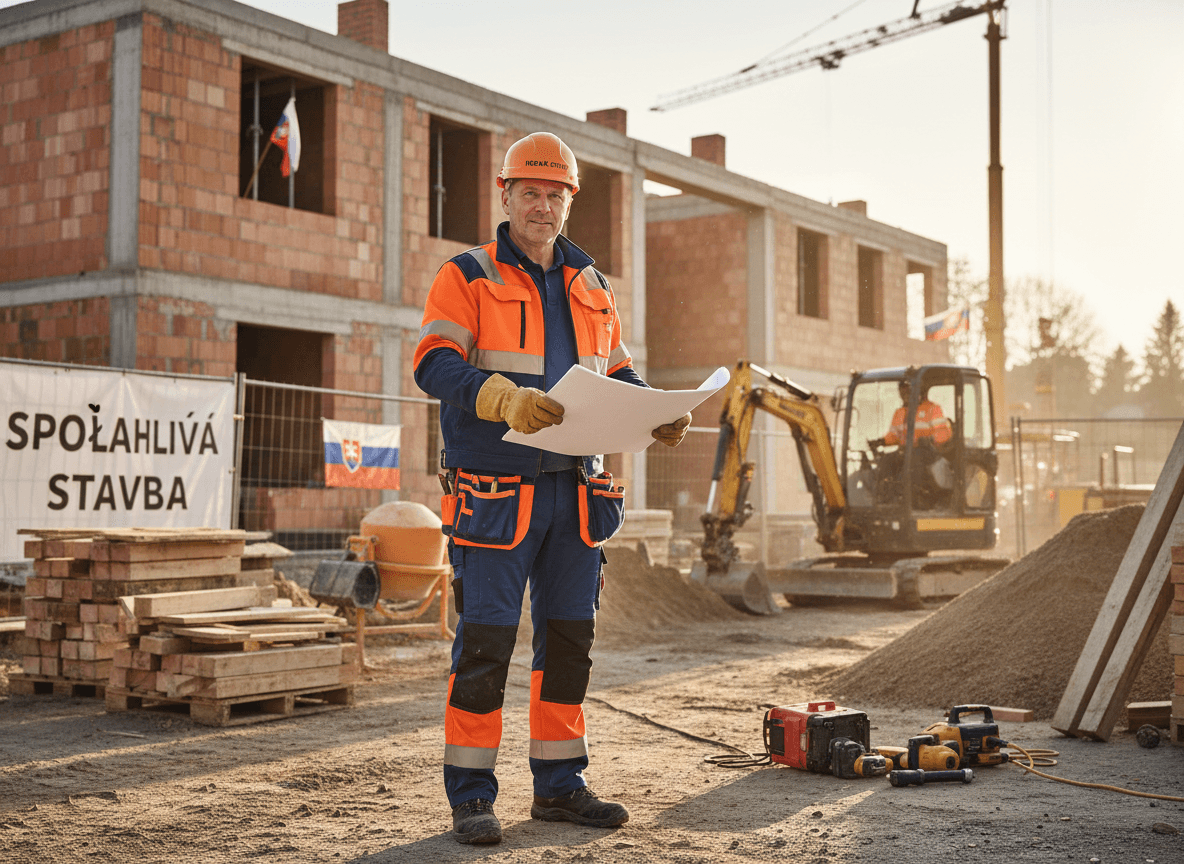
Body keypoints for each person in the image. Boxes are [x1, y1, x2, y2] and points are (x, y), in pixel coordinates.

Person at [413, 131, 691, 846]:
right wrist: (500, 397)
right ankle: (471, 796)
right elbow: (434, 365)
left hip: (577, 493)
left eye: (555, 194)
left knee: (568, 644)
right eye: (529, 192)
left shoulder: (591, 284)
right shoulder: (467, 275)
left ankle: (560, 788)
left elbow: (618, 374)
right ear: (504, 195)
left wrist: (654, 411)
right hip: (498, 493)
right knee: (485, 645)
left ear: (571, 201)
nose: (542, 205)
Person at [870, 380, 953, 505]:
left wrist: (930, 439)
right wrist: (882, 441)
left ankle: (911, 500)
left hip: (928, 452)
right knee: (886, 461)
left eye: (907, 392)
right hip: (906, 451)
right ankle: (883, 497)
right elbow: (894, 435)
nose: (904, 395)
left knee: (913, 462)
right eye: (902, 393)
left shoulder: (932, 409)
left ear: (917, 391)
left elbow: (944, 433)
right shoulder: (900, 412)